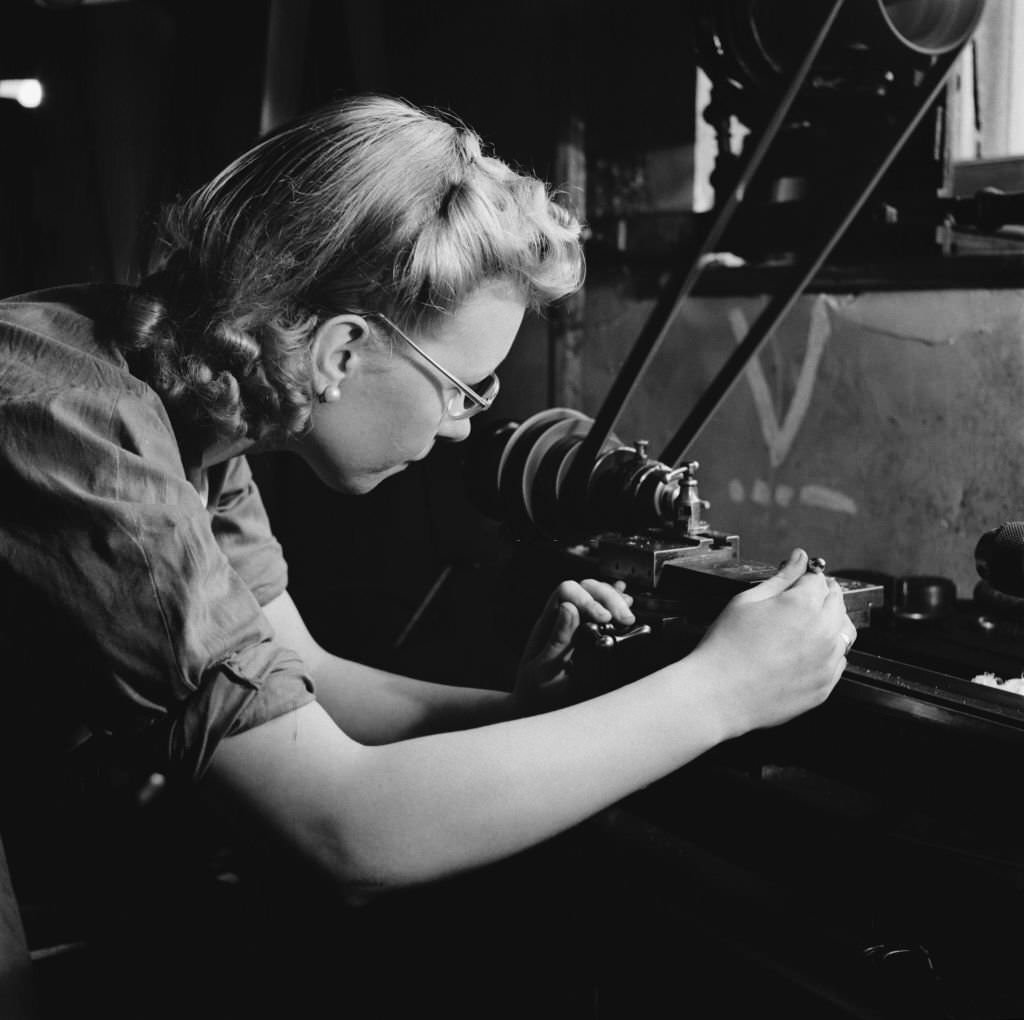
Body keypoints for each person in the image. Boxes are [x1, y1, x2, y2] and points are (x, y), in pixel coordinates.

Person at [0, 94, 854, 1017]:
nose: (463, 425)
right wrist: (719, 693)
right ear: (340, 350)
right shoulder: (82, 437)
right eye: (462, 387)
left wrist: (539, 713)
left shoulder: (204, 413)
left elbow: (304, 680)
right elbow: (343, 831)